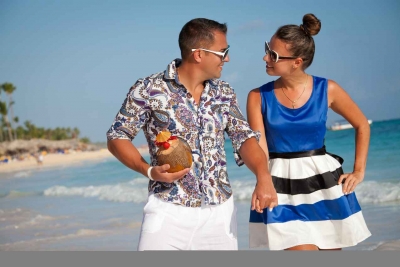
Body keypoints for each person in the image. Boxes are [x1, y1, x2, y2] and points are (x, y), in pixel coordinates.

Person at [106, 18, 277, 251]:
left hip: (220, 212)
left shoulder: (224, 92)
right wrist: (148, 170)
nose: (227, 58)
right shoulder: (148, 89)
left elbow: (243, 137)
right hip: (167, 208)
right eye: (223, 51)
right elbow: (117, 136)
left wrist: (263, 176)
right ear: (198, 54)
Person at [247, 13, 371, 250]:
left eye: (273, 54)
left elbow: (362, 124)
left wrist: (359, 171)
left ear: (297, 61)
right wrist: (262, 181)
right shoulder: (257, 96)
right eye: (267, 49)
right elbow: (259, 145)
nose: (265, 57)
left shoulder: (328, 89)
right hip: (280, 186)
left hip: (324, 184)